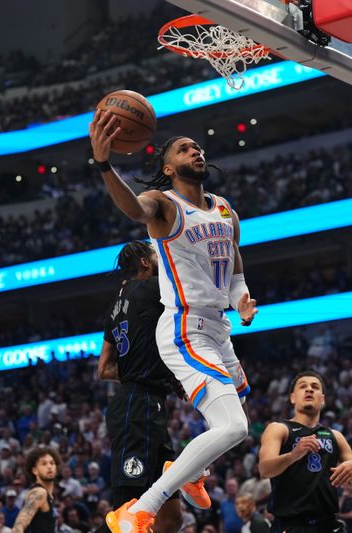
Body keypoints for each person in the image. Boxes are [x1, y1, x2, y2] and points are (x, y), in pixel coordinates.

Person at [90, 111, 257, 533]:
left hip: (218, 328)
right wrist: (105, 164)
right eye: (184, 148)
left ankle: (191, 471)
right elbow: (132, 208)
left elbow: (233, 260)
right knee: (234, 427)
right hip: (185, 327)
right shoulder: (164, 205)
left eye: (197, 147)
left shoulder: (224, 210)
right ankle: (140, 508)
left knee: (238, 405)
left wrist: (240, 298)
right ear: (168, 168)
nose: (195, 150)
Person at [98, 241, 196, 533]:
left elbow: (104, 368)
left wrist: (159, 375)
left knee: (172, 515)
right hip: (135, 405)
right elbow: (188, 289)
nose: (158, 261)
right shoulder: (152, 287)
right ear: (144, 262)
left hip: (148, 402)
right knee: (127, 510)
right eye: (154, 257)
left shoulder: (115, 305)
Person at [258, 371, 352, 532]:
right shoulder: (279, 428)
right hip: (291, 524)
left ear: (322, 399)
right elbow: (264, 470)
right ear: (293, 398)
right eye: (303, 386)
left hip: (329, 524)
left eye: (315, 387)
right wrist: (293, 455)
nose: (309, 390)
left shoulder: (336, 436)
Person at [11, 447, 61, 533]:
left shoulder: (47, 495)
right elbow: (19, 525)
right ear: (35, 470)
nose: (49, 466)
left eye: (52, 463)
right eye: (44, 464)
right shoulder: (39, 493)